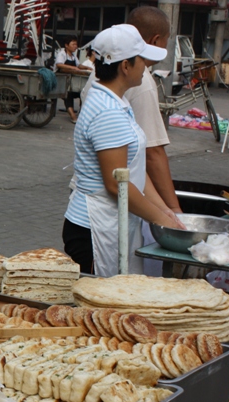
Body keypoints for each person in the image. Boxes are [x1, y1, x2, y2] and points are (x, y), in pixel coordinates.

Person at [62, 24, 185, 277]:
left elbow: (133, 172)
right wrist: (163, 222)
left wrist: (166, 212)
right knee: (101, 310)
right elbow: (116, 184)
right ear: (125, 66)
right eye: (141, 59)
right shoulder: (108, 112)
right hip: (94, 228)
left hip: (111, 221)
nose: (146, 66)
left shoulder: (118, 101)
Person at [54, 35, 92, 123]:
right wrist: (73, 68)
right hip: (61, 81)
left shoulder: (73, 56)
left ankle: (82, 114)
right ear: (66, 45)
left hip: (71, 82)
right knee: (68, 95)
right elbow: (59, 64)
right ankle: (73, 116)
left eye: (76, 44)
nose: (75, 46)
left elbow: (78, 65)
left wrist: (87, 68)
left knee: (82, 93)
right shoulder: (62, 53)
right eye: (73, 44)